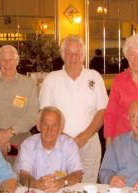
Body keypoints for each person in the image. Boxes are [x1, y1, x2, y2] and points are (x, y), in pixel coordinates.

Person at [39, 35, 109, 183]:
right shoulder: (51, 79)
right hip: (58, 142)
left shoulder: (94, 77)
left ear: (83, 56)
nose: (73, 57)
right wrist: (66, 139)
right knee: (60, 186)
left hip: (89, 142)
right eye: (69, 53)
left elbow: (103, 111)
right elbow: (44, 114)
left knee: (88, 188)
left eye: (77, 53)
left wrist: (83, 137)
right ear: (63, 55)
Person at [0, 45, 38, 160]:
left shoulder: (29, 84)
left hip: (21, 143)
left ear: (17, 61)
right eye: (3, 60)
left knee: (19, 176)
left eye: (11, 59)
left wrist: (9, 133)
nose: (7, 64)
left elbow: (32, 115)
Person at [15, 106, 83, 193]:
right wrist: (37, 184)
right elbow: (24, 176)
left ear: (61, 129)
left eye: (54, 125)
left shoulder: (69, 144)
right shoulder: (28, 145)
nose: (49, 130)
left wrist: (62, 182)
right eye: (45, 124)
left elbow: (77, 174)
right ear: (38, 126)